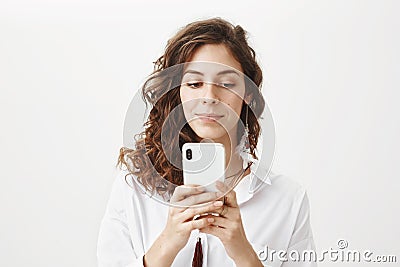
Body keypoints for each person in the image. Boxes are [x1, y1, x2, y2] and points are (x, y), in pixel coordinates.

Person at [97, 17, 317, 267]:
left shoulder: (287, 199)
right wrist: (169, 242)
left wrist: (242, 252)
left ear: (247, 93)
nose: (209, 97)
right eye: (194, 83)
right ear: (178, 91)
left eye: (226, 84)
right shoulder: (135, 187)